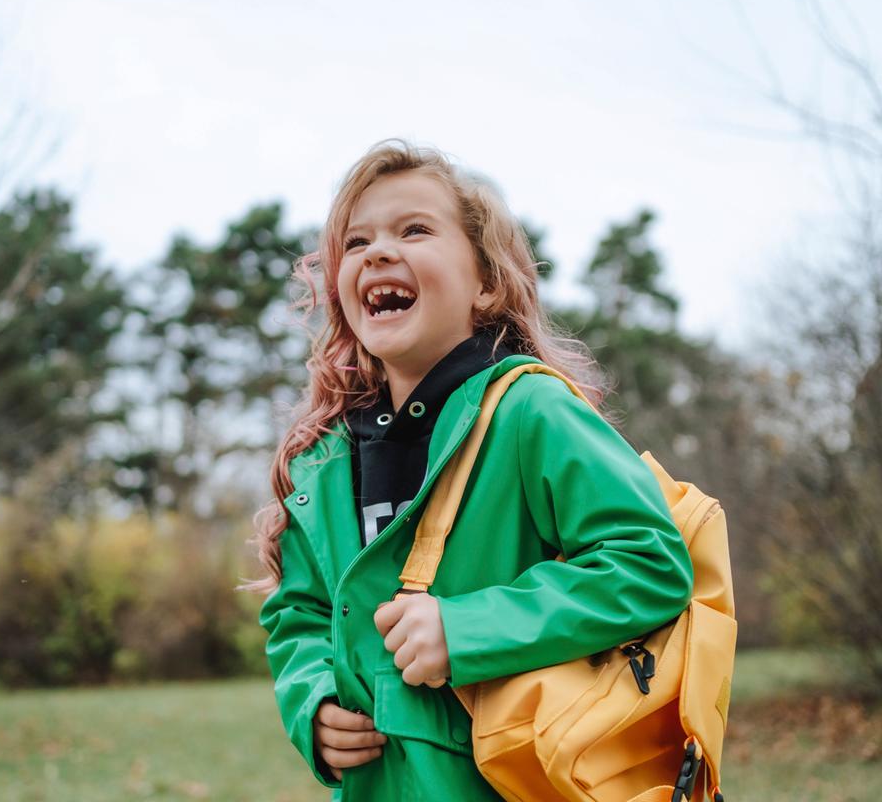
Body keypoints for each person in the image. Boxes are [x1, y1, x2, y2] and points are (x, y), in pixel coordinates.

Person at [245, 138, 694, 801]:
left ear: (485, 284)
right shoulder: (325, 464)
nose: (378, 252)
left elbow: (650, 563)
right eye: (358, 241)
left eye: (414, 229)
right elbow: (300, 614)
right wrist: (309, 703)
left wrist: (466, 629)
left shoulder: (529, 412)